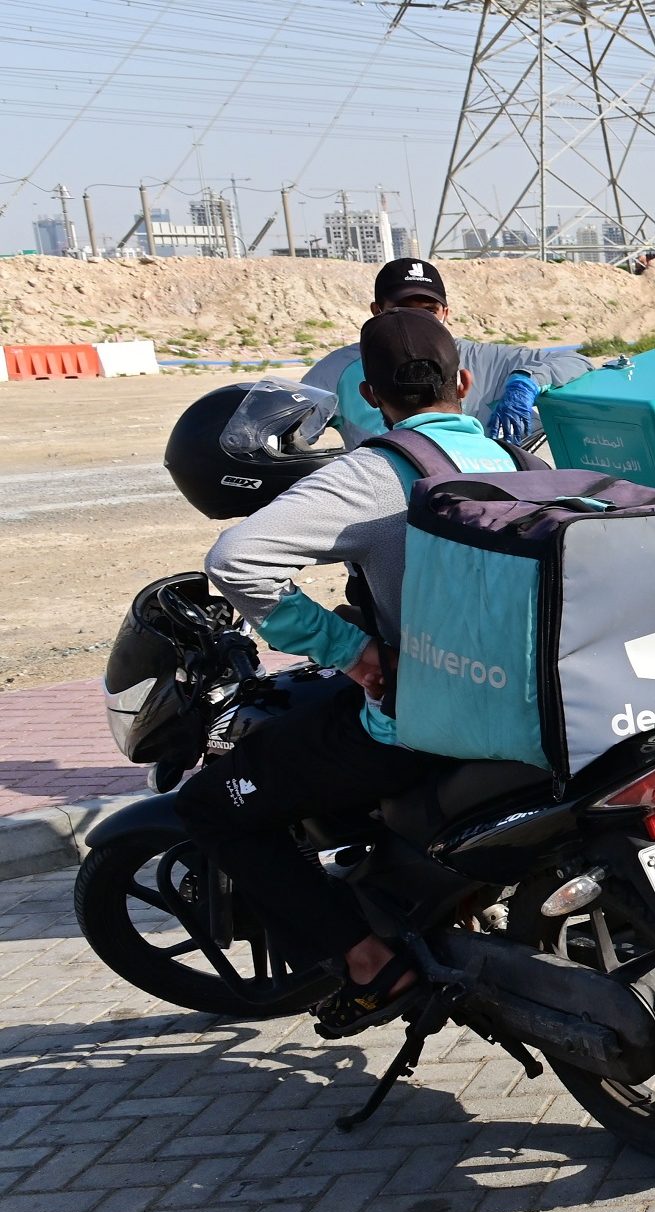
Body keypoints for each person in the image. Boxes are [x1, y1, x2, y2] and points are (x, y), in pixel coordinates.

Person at [175, 310, 522, 1038]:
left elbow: (236, 561)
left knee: (213, 804)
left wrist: (349, 650)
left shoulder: (375, 472)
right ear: (463, 381)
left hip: (424, 724)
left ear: (368, 392)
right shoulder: (517, 465)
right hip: (530, 708)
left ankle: (371, 962)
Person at [302, 257, 592, 446]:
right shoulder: (336, 371)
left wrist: (526, 380)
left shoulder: (484, 359)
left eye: (429, 311)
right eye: (402, 311)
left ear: (446, 313)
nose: (418, 323)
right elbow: (291, 435)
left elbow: (577, 361)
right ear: (377, 311)